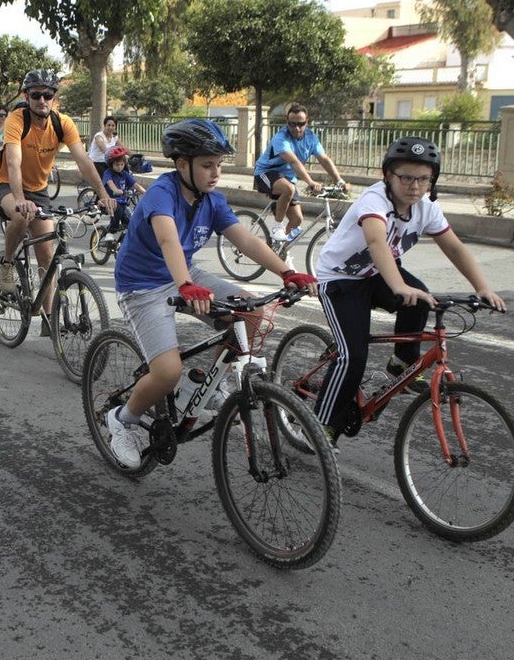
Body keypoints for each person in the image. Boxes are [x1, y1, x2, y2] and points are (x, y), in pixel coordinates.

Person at [105, 119, 316, 469]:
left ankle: (207, 386)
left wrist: (287, 272)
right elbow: (168, 239)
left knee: (250, 311)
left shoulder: (212, 200)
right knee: (167, 370)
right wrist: (185, 285)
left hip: (185, 275)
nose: (215, 172)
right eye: (207, 165)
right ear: (181, 164)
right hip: (143, 285)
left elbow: (245, 239)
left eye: (219, 164)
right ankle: (122, 419)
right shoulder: (163, 192)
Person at [312, 136, 506, 448]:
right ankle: (322, 424)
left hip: (378, 273)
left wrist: (481, 287)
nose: (414, 186)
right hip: (340, 280)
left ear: (433, 180)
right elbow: (376, 242)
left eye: (423, 179)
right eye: (406, 177)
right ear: (387, 175)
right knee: (353, 355)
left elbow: (454, 247)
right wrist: (399, 286)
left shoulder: (426, 208)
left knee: (422, 299)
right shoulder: (374, 201)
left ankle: (402, 363)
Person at [0, 69, 117, 335]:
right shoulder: (17, 120)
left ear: (54, 98)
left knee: (47, 254)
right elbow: (13, 162)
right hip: (5, 184)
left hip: (38, 190)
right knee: (22, 215)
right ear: (27, 96)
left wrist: (104, 194)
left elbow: (84, 161)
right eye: (35, 95)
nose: (42, 100)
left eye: (47, 94)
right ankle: (7, 263)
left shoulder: (63, 123)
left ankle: (49, 320)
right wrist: (21, 199)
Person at [253, 103, 348, 269]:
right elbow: (294, 161)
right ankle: (277, 228)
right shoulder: (281, 138)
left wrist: (339, 181)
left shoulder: (311, 137)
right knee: (288, 189)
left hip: (287, 178)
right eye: (292, 124)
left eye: (301, 124)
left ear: (307, 122)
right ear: (286, 122)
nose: (297, 128)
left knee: (297, 220)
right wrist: (310, 182)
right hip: (266, 173)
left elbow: (324, 159)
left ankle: (282, 251)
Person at [97, 145, 146, 242]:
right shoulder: (108, 173)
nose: (120, 167)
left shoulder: (124, 174)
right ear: (111, 164)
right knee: (118, 211)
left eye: (122, 164)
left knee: (131, 222)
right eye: (117, 165)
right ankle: (110, 232)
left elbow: (136, 185)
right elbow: (111, 185)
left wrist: (148, 193)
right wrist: (119, 191)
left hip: (123, 202)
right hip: (111, 202)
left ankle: (121, 244)